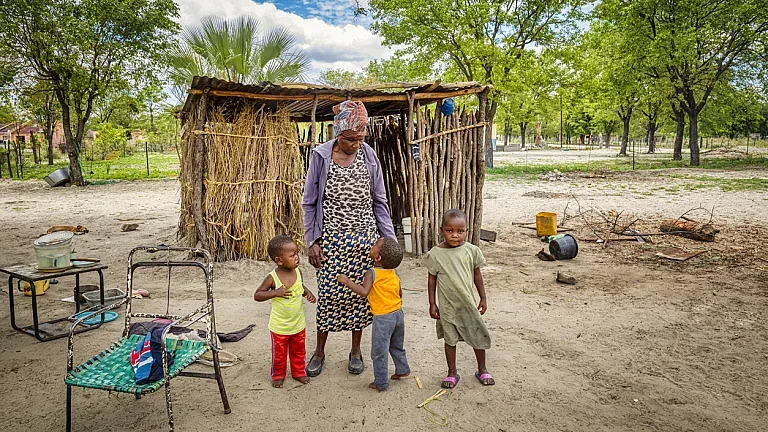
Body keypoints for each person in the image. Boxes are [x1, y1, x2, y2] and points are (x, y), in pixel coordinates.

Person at [302, 100, 396, 377]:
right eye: (350, 139)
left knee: (360, 300)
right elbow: (309, 203)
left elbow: (379, 200)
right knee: (329, 296)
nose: (356, 144)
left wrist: (388, 241)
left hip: (364, 242)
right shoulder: (320, 157)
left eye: (360, 138)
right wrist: (312, 241)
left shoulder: (369, 156)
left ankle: (355, 351)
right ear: (337, 134)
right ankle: (319, 352)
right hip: (331, 240)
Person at [423, 209, 495, 388]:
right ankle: (452, 372)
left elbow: (477, 276)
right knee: (450, 339)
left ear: (466, 231)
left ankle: (482, 369)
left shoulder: (472, 251)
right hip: (447, 307)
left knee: (477, 335)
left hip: (468, 305)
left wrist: (483, 298)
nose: (455, 235)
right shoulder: (436, 254)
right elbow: (431, 280)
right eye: (450, 231)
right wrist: (432, 303)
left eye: (460, 231)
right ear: (442, 230)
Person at [337, 237, 410, 391]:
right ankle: (402, 369)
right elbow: (400, 292)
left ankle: (381, 382)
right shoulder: (393, 272)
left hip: (383, 318)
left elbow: (364, 292)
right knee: (396, 345)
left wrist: (347, 282)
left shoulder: (371, 273)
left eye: (376, 244)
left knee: (379, 351)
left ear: (377, 258)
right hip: (398, 314)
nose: (373, 244)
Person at [254, 235, 317, 388]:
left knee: (298, 352)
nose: (297, 257)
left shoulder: (298, 272)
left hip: (298, 324)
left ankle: (298, 372)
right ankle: (278, 375)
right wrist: (275, 292)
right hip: (279, 327)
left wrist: (307, 292)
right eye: (292, 255)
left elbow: (300, 286)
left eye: (297, 253)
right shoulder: (272, 278)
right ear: (279, 260)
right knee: (279, 354)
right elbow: (258, 295)